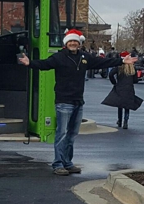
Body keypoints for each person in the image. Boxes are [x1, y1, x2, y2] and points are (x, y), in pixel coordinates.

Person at [18, 29, 137, 176]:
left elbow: (102, 61)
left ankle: (68, 162)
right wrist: (30, 63)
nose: (73, 43)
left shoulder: (84, 57)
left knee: (72, 134)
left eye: (75, 41)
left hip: (78, 101)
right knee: (61, 133)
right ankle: (58, 164)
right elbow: (44, 64)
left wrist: (122, 61)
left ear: (79, 43)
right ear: (66, 43)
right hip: (63, 101)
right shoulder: (59, 57)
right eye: (70, 41)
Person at [101, 51, 143, 129]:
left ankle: (119, 120)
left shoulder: (119, 67)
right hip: (129, 88)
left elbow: (111, 74)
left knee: (119, 105)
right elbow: (136, 80)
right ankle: (126, 121)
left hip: (120, 87)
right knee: (127, 105)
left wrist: (114, 82)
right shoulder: (132, 68)